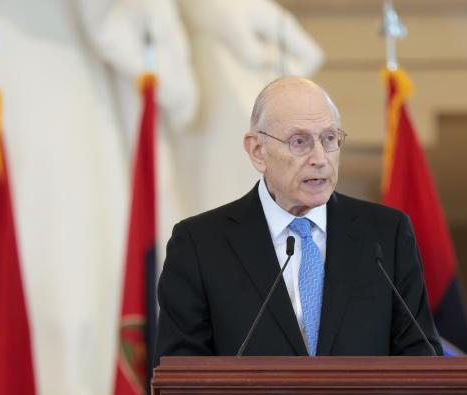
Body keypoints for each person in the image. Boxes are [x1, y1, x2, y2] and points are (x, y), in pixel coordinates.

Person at [155, 77, 443, 357]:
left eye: (329, 138)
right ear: (257, 151)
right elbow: (180, 373)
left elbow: (421, 357)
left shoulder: (387, 235)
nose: (320, 158)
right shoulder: (200, 245)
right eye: (299, 141)